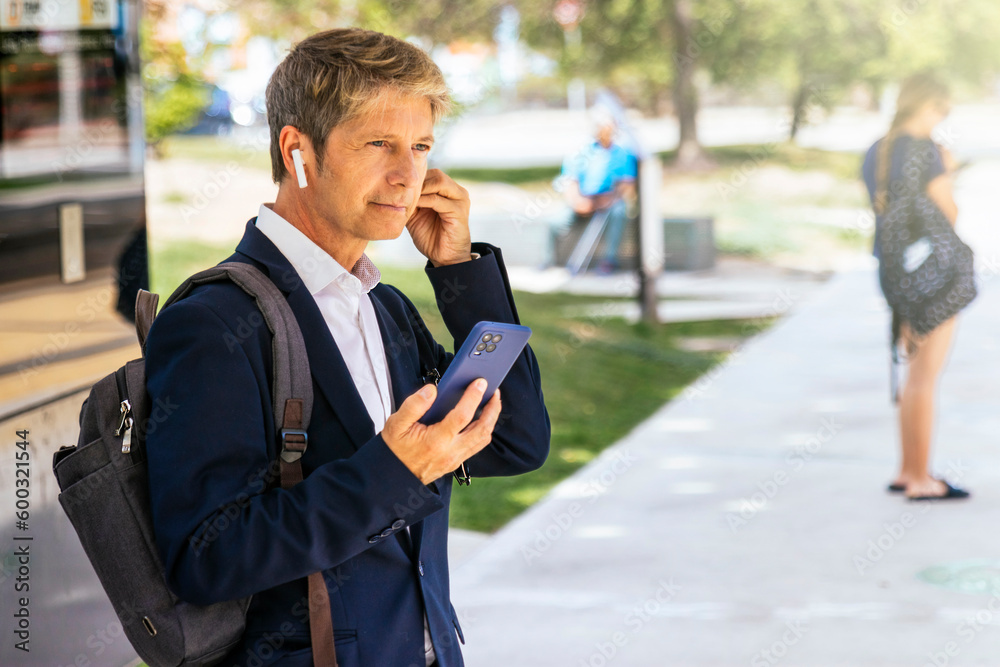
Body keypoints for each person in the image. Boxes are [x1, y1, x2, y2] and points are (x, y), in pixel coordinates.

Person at [143, 28, 550, 667]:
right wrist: (395, 472)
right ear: (297, 149)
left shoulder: (383, 308)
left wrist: (460, 271)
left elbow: (515, 441)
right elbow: (206, 558)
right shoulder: (214, 323)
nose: (406, 174)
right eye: (378, 144)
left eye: (419, 146)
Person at [861, 72, 972, 501]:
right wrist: (949, 170)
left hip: (894, 272)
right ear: (927, 106)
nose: (940, 120)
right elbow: (950, 214)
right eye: (940, 112)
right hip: (934, 274)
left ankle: (907, 470)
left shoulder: (877, 151)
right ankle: (923, 480)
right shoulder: (926, 151)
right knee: (926, 376)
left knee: (913, 375)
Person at [557, 113, 638, 274]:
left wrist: (608, 200)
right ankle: (551, 260)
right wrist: (578, 201)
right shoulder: (581, 152)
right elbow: (569, 180)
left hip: (609, 200)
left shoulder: (623, 155)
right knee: (557, 222)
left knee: (618, 212)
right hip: (583, 199)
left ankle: (609, 260)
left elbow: (627, 185)